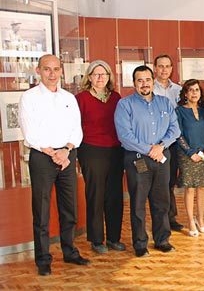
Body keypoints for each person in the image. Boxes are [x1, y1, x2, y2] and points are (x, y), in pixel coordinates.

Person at [19, 54, 89, 276]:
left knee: (69, 209)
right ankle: (43, 259)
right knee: (41, 210)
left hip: (67, 155)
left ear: (61, 71)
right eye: (47, 69)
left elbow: (76, 130)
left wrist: (66, 150)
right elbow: (30, 133)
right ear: (38, 70)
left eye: (56, 69)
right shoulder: (29, 98)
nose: (52, 74)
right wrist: (53, 152)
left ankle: (69, 252)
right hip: (42, 157)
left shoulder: (69, 97)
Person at [115, 65, 181, 257]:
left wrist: (160, 147)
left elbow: (175, 130)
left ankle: (162, 240)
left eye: (147, 80)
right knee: (138, 203)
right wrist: (149, 150)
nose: (144, 84)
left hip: (161, 157)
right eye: (139, 80)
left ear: (153, 81)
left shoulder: (165, 103)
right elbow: (124, 135)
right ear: (134, 83)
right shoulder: (125, 105)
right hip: (138, 159)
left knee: (162, 201)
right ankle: (140, 243)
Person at [76, 60, 125, 254]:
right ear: (89, 77)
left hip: (115, 150)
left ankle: (114, 238)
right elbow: (75, 126)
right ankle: (97, 240)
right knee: (96, 195)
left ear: (109, 77)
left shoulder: (116, 98)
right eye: (96, 74)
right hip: (91, 149)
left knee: (114, 195)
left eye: (103, 74)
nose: (100, 78)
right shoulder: (81, 99)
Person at [175, 79, 204, 237]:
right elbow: (178, 134)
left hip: (202, 154)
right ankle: (191, 221)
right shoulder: (179, 111)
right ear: (185, 93)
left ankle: (200, 219)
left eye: (196, 90)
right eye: (190, 90)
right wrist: (190, 152)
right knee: (190, 188)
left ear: (201, 93)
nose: (194, 93)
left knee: (202, 187)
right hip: (186, 155)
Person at [153, 54, 184, 231]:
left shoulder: (179, 91)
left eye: (167, 66)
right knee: (158, 183)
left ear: (172, 69)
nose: (164, 70)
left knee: (170, 181)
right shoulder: (150, 89)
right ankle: (160, 218)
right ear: (155, 68)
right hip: (155, 144)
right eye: (161, 66)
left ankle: (170, 217)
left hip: (174, 143)